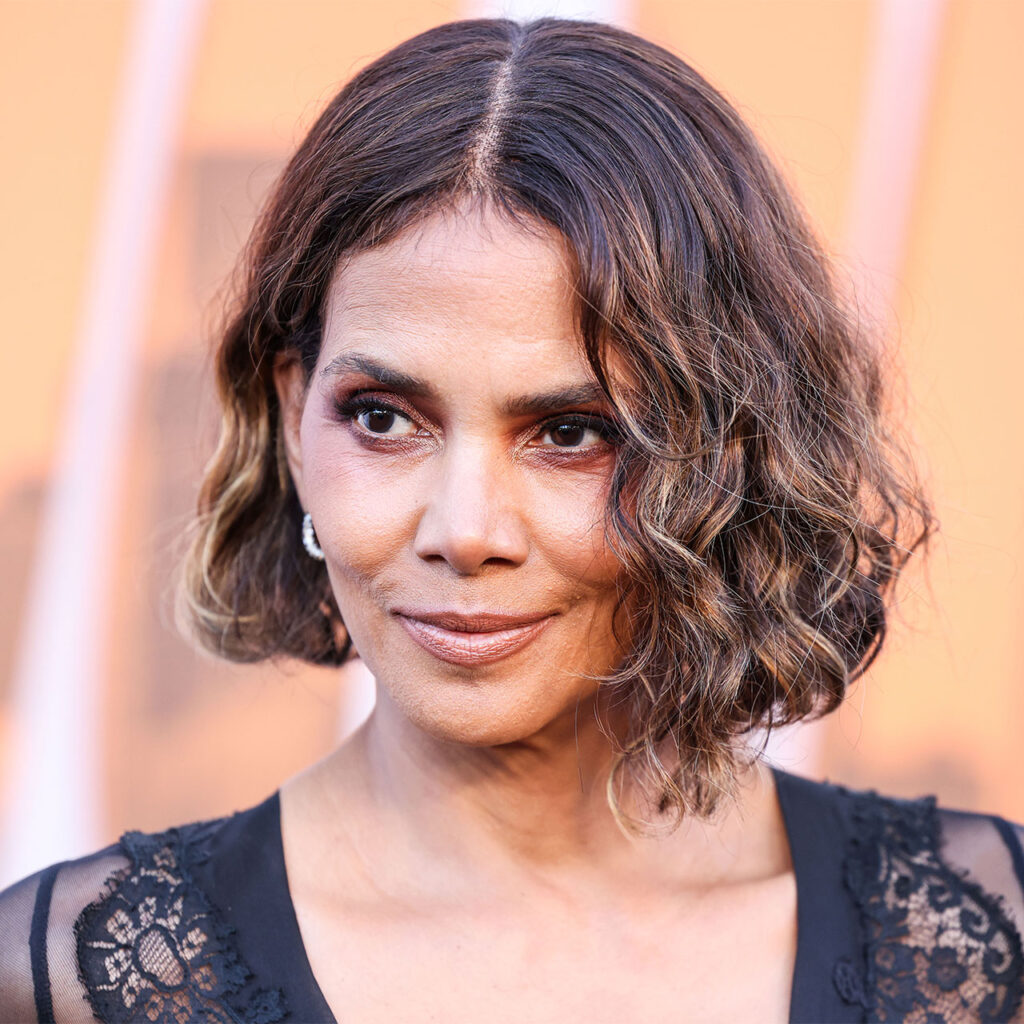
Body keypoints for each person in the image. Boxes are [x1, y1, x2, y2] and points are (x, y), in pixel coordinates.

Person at [2, 16, 1022, 1024]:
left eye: (571, 432)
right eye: (382, 418)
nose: (464, 529)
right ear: (293, 418)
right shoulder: (65, 983)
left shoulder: (977, 947)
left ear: (728, 451)